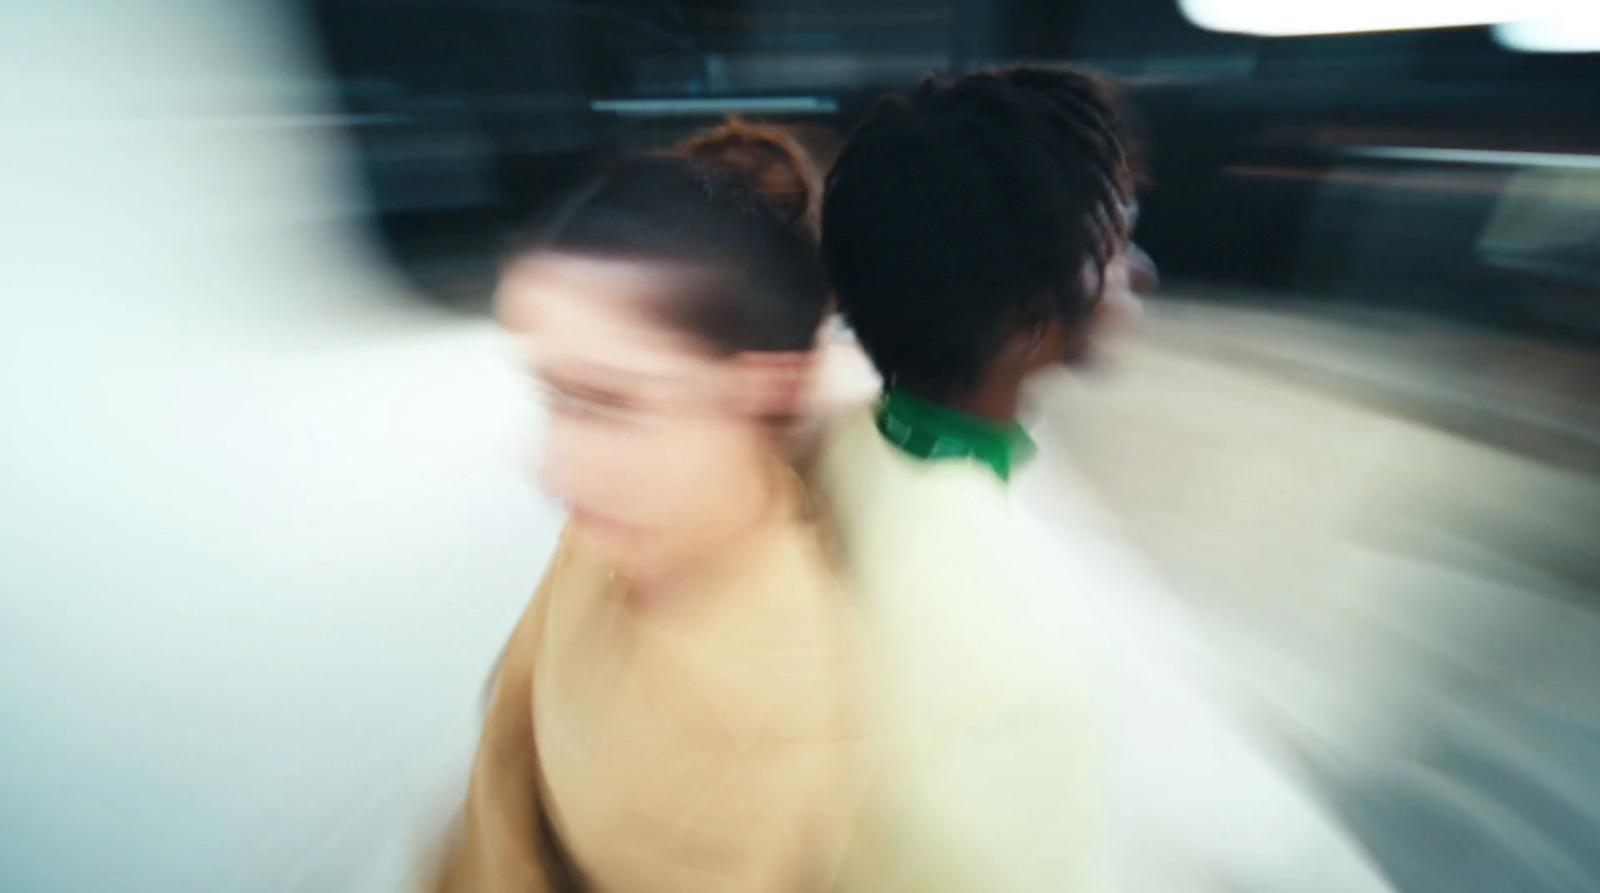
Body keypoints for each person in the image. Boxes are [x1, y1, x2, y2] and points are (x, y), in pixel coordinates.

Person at [429, 122, 860, 893]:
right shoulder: (615, 532)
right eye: (554, 396)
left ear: (774, 388)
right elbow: (508, 744)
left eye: (611, 403)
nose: (554, 464)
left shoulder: (763, 713)